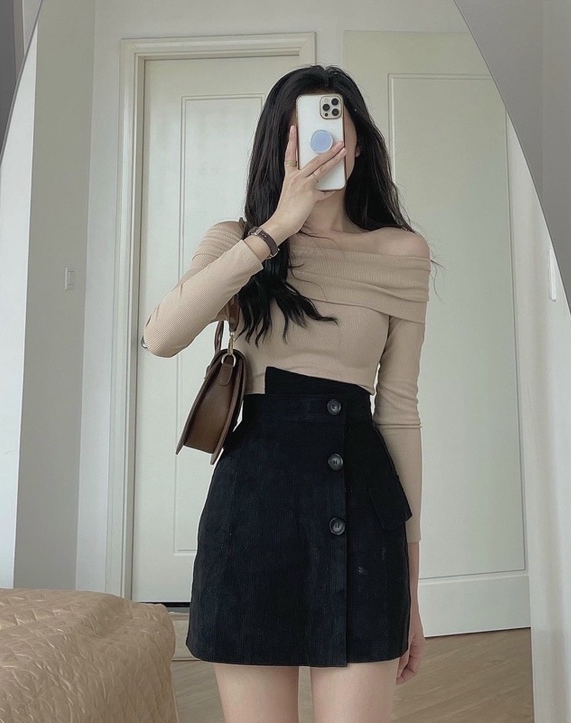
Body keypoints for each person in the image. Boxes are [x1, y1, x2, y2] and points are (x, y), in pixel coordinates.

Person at [142, 64, 435, 723]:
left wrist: (412, 588)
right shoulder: (238, 241)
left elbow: (399, 411)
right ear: (278, 144)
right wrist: (274, 229)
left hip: (363, 507)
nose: (322, 145)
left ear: (359, 144)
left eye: (335, 128)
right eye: (302, 131)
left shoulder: (401, 253)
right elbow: (161, 336)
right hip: (254, 508)